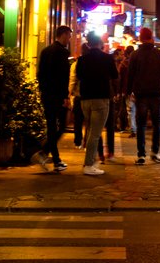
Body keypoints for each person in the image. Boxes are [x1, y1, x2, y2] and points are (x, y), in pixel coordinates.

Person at [75, 32, 118, 176]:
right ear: (100, 42)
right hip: (101, 98)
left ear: (88, 43)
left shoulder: (81, 59)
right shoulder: (107, 58)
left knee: (90, 131)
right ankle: (88, 164)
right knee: (95, 133)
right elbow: (115, 76)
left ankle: (92, 160)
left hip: (85, 98)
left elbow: (79, 76)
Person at [126, 27, 160, 164]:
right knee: (157, 124)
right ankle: (155, 152)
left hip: (140, 93)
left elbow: (130, 75)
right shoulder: (158, 54)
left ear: (140, 39)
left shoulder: (135, 55)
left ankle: (141, 154)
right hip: (155, 93)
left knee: (141, 124)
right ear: (151, 37)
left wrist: (128, 92)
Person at [34, 25, 72, 172]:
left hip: (47, 94)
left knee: (51, 126)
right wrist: (65, 96)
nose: (69, 39)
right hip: (57, 95)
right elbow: (63, 77)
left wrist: (42, 90)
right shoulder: (62, 53)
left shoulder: (45, 51)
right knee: (61, 125)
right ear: (62, 35)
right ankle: (46, 154)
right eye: (68, 36)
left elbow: (40, 74)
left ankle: (53, 158)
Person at [71, 42, 89, 148]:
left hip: (79, 95)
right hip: (90, 96)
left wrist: (69, 93)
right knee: (89, 120)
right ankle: (87, 140)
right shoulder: (93, 63)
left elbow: (73, 79)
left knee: (78, 120)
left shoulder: (77, 63)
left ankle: (78, 141)